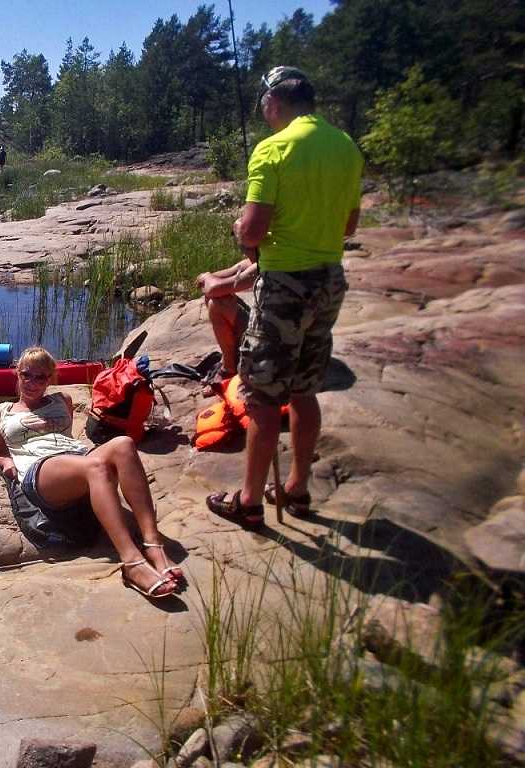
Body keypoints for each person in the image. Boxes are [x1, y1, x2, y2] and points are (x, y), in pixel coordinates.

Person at [206, 66, 363, 527]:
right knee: (305, 387)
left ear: (275, 102)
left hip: (285, 285)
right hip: (329, 280)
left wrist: (243, 232)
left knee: (262, 395)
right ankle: (296, 489)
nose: (264, 115)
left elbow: (252, 231)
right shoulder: (346, 147)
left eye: (264, 107)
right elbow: (349, 226)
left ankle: (250, 501)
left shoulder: (272, 149)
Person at [0, 347, 183, 599]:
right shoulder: (2, 411)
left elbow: (66, 436)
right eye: (27, 375)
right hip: (41, 471)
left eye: (41, 377)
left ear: (50, 379)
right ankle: (131, 562)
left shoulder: (63, 401)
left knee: (124, 444)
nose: (32, 382)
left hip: (75, 458)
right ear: (18, 373)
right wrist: (6, 463)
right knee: (96, 467)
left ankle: (153, 544)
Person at [196, 252, 258, 393]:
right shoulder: (255, 258)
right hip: (262, 322)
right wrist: (207, 276)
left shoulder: (266, 263)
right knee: (215, 297)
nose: (242, 247)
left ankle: (229, 369)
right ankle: (231, 358)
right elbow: (225, 274)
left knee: (217, 302)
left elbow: (213, 288)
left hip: (271, 333)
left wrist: (206, 277)